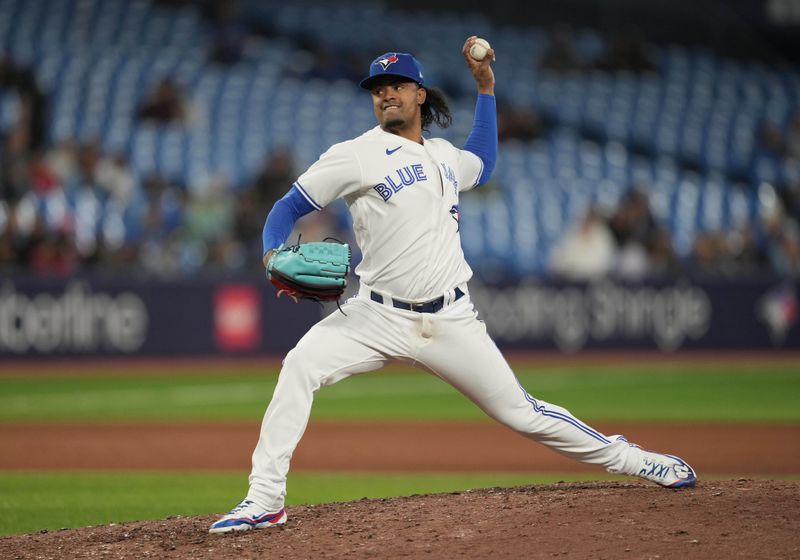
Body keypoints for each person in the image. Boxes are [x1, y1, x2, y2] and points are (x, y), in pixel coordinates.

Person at [209, 37, 696, 534]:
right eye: (378, 88)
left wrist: (486, 89)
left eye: (397, 85)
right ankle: (265, 498)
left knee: (523, 413)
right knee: (300, 366)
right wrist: (271, 251)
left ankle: (634, 459)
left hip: (450, 320)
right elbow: (287, 207)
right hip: (376, 315)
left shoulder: (444, 156)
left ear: (420, 94)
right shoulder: (355, 154)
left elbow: (482, 161)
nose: (386, 94)